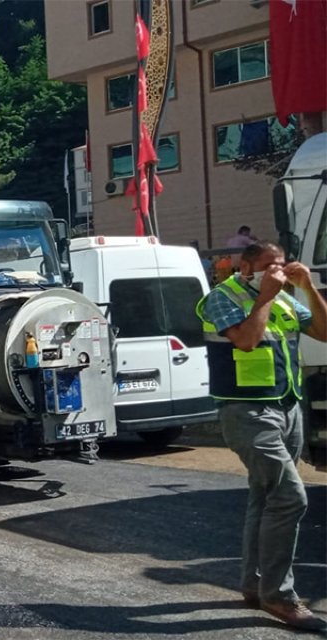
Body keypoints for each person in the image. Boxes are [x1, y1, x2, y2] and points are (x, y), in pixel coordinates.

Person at [197, 241, 327, 630]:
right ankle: (279, 596)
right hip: (247, 411)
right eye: (269, 265)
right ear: (246, 266)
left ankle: (255, 586)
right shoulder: (223, 297)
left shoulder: (286, 299)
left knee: (265, 496)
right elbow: (247, 340)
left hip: (287, 406)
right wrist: (267, 296)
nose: (278, 270)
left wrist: (307, 286)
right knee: (289, 497)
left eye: (282, 264)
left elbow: (324, 330)